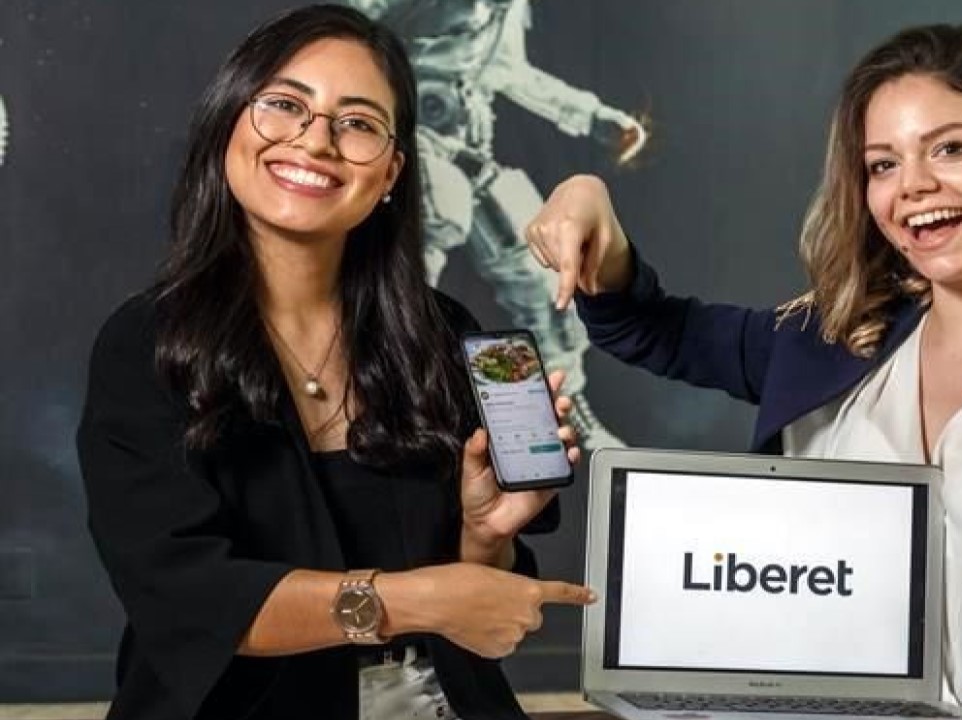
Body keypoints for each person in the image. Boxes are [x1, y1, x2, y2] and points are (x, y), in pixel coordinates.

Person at [526, 24, 962, 720]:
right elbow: (650, 329)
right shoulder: (826, 339)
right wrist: (589, 198)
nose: (913, 185)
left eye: (950, 148)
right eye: (883, 164)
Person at [76, 5, 592, 720]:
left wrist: (484, 535)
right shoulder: (149, 343)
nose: (316, 141)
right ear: (229, 125)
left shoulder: (442, 335)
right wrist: (413, 599)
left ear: (391, 172)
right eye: (285, 105)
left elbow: (477, 616)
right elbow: (187, 597)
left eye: (356, 123)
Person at [347, 0, 649, 450]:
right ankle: (378, 400)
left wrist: (593, 117)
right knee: (429, 236)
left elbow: (511, 73)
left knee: (540, 277)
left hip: (471, 152)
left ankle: (561, 405)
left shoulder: (503, 9)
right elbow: (343, 35)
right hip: (412, 145)